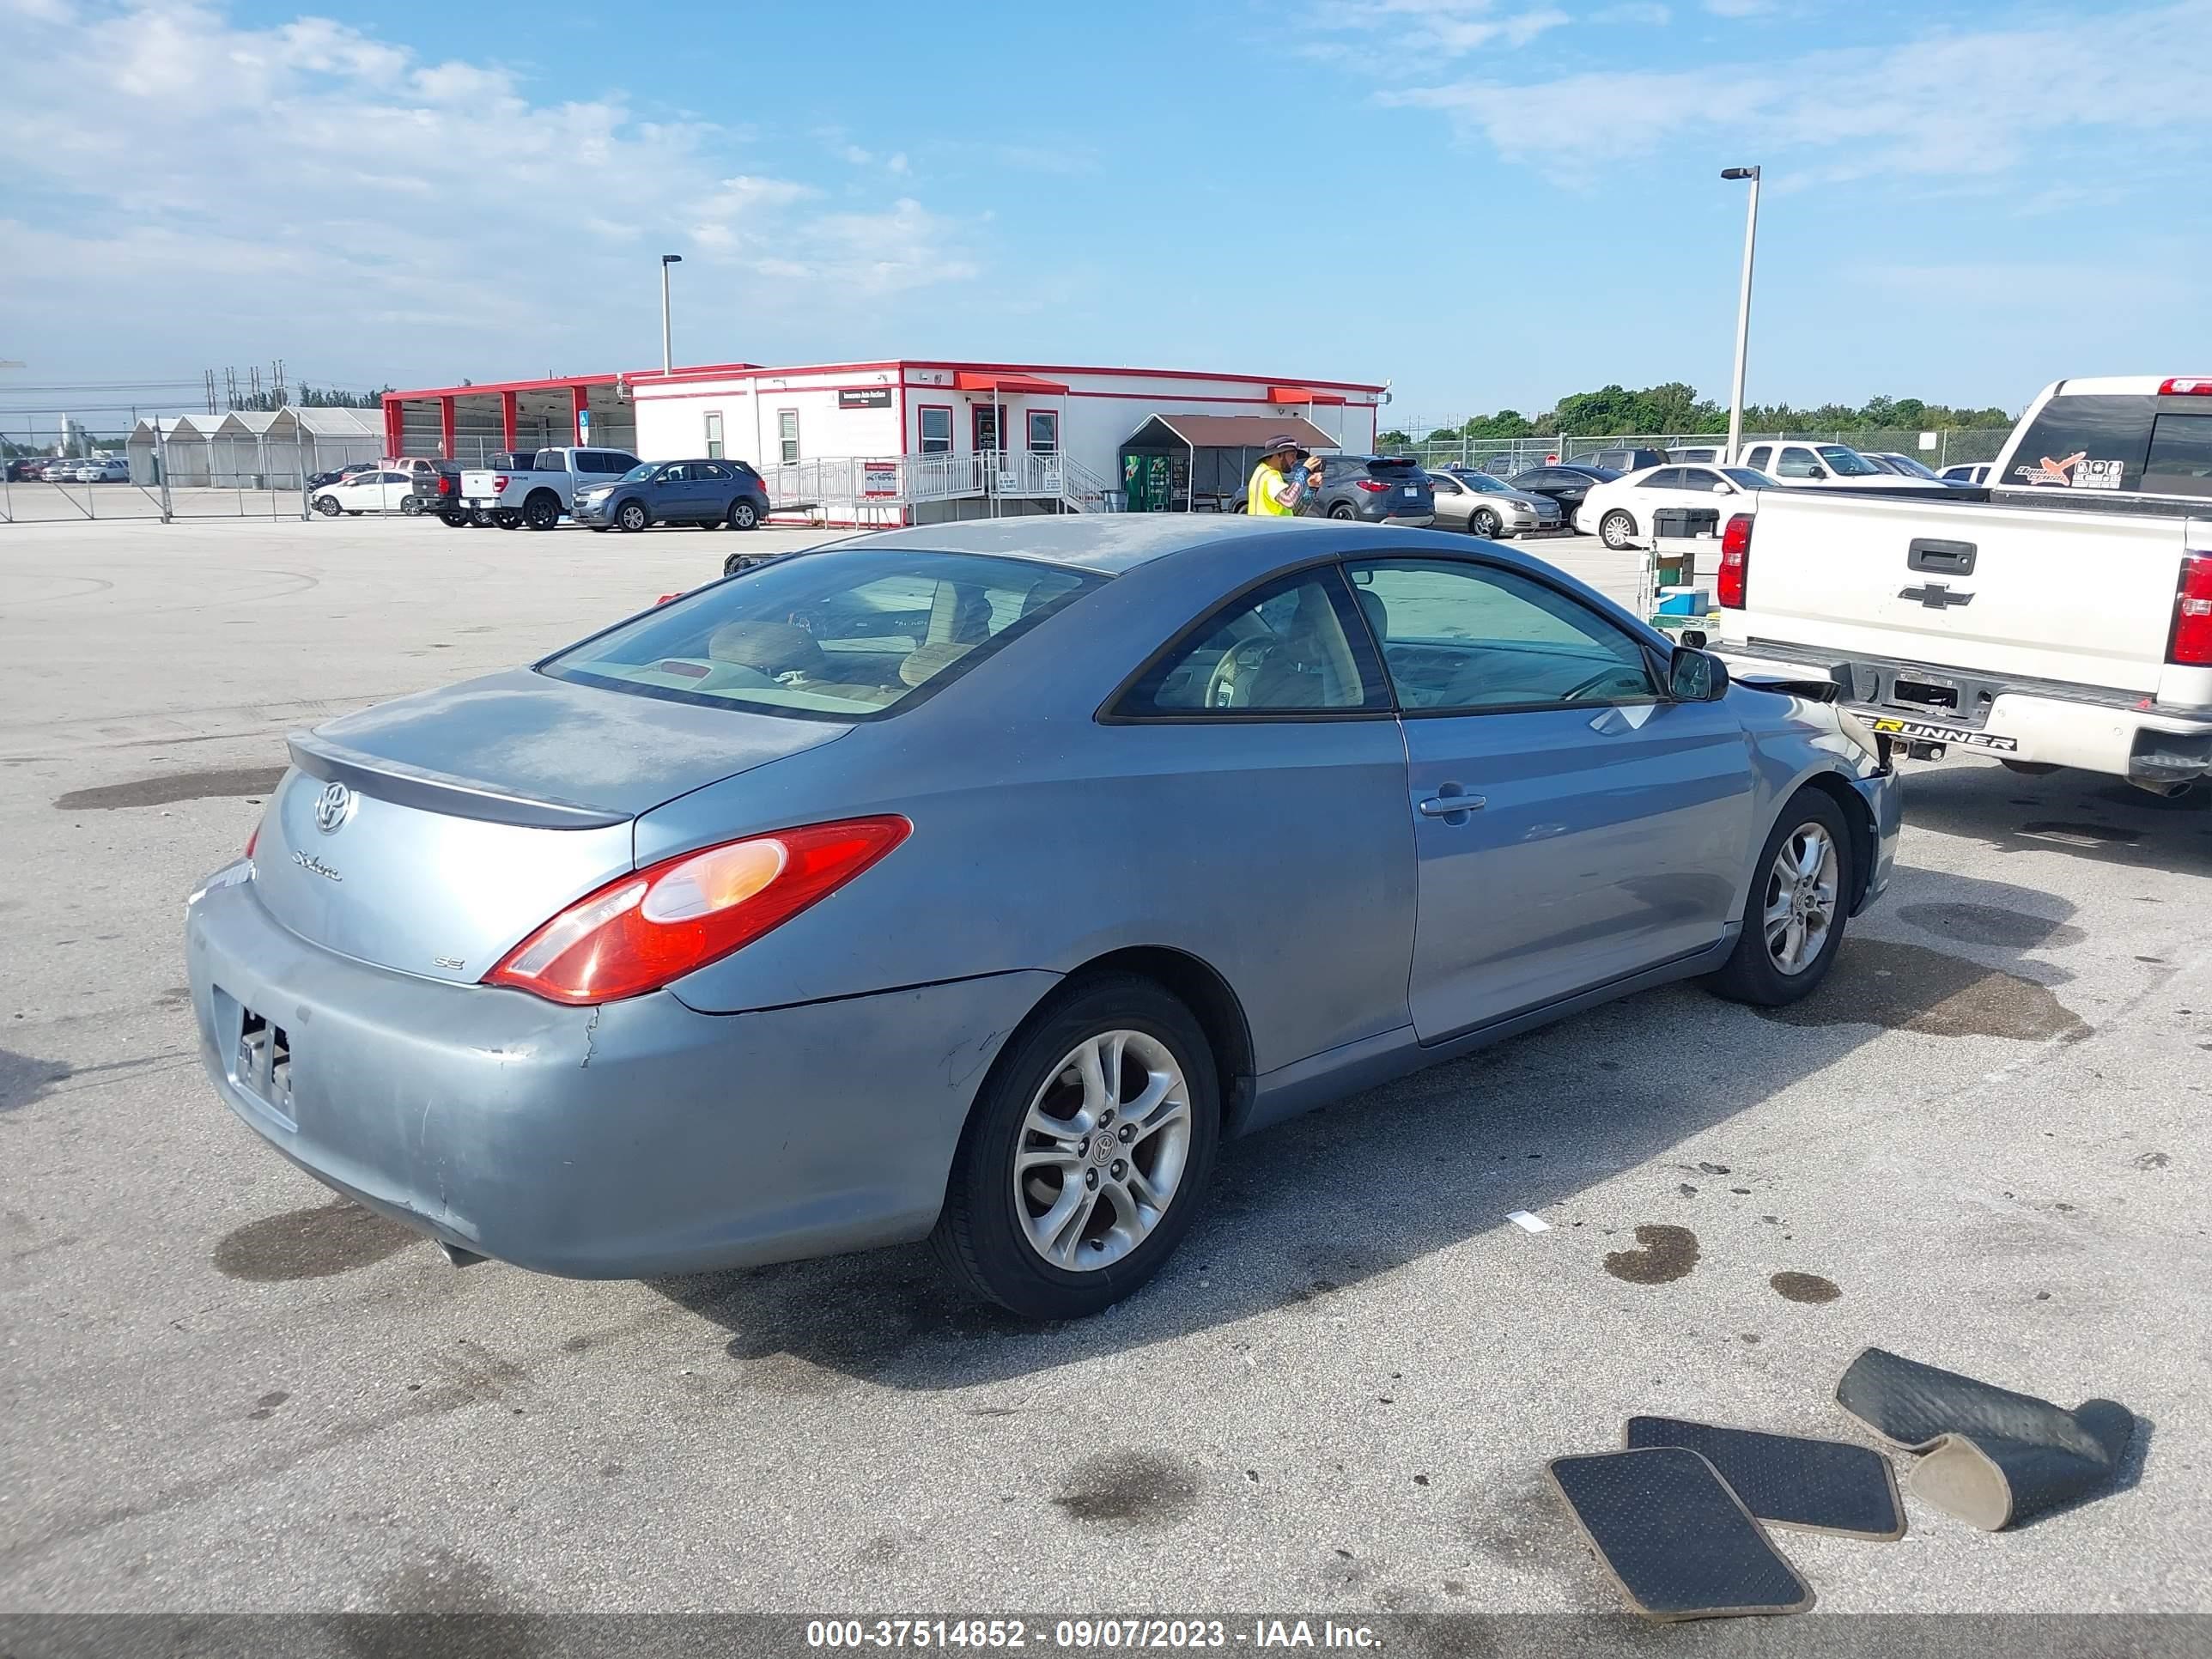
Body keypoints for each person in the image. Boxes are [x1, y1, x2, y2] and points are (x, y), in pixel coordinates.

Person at [1247, 435, 1323, 518]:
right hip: (1273, 529)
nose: (1295, 460)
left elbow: (1293, 513)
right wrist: (1303, 471)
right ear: (1279, 455)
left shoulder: (1262, 471)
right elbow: (1289, 502)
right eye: (1292, 455)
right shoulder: (1270, 477)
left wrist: (1312, 489)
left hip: (1269, 528)